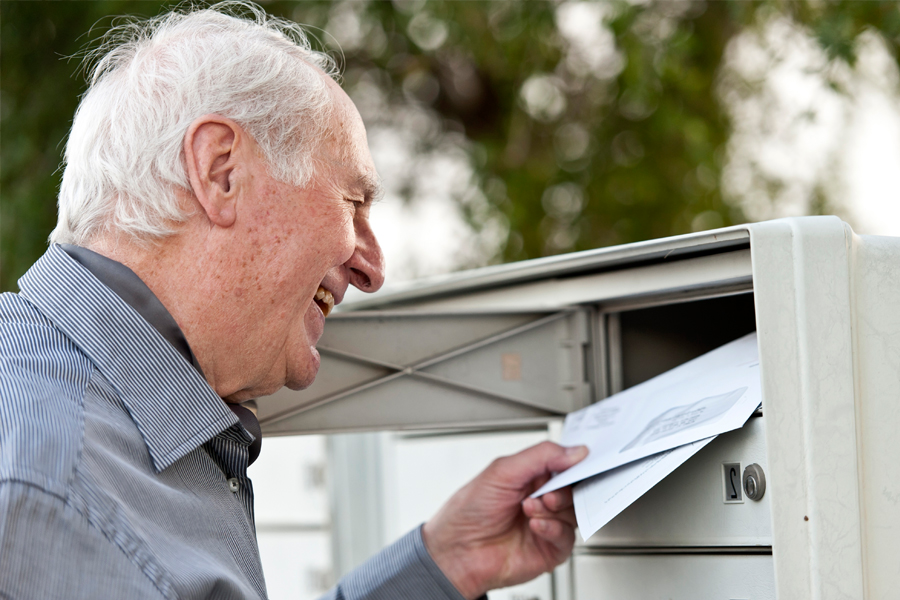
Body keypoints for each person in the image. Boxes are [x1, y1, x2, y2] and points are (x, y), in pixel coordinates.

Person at [0, 4, 587, 599]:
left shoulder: (69, 435)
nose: (372, 268)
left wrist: (446, 564)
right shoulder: (52, 495)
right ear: (220, 171)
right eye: (351, 202)